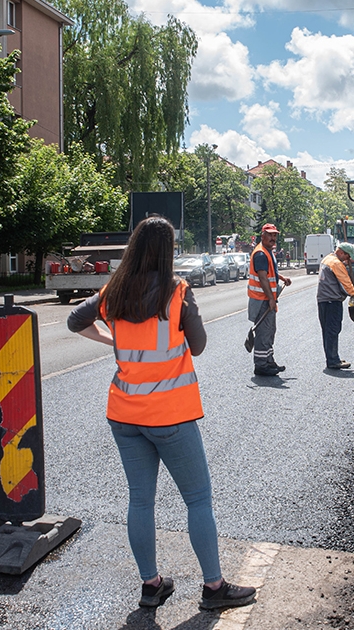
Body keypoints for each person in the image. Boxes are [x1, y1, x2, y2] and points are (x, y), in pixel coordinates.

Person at [67, 217, 257, 611]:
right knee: (198, 499)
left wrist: (112, 340)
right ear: (168, 251)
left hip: (124, 413)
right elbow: (198, 346)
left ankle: (151, 585)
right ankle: (213, 587)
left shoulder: (113, 291)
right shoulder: (177, 292)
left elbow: (75, 321)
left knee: (140, 501)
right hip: (169, 415)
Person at [247, 223, 292, 376]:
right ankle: (261, 366)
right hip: (262, 300)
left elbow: (269, 272)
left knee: (270, 331)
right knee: (263, 332)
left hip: (265, 299)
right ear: (263, 236)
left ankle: (269, 361)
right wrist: (271, 299)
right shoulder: (260, 253)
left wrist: (282, 278)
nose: (273, 238)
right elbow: (262, 278)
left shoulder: (268, 251)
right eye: (270, 235)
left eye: (275, 235)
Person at [318, 242, 354, 370]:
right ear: (341, 252)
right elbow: (344, 281)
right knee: (333, 330)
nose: (348, 259)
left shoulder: (327, 259)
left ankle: (332, 357)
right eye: (347, 256)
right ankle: (333, 360)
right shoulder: (336, 263)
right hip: (332, 301)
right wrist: (353, 294)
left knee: (327, 330)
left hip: (323, 300)